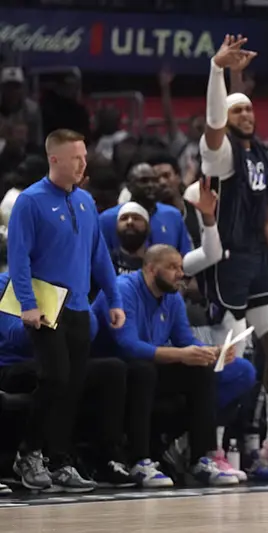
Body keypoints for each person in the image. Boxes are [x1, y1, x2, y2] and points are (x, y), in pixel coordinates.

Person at [196, 35, 268, 478]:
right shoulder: (219, 153)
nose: (243, 113)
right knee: (232, 361)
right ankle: (215, 448)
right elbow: (212, 117)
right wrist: (218, 70)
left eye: (248, 108)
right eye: (235, 108)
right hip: (225, 263)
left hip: (259, 262)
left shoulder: (261, 157)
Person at [6, 128, 125, 491]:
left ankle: (59, 460)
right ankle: (28, 453)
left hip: (78, 308)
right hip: (44, 308)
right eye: (77, 158)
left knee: (72, 386)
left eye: (85, 157)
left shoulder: (87, 202)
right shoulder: (30, 201)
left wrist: (114, 299)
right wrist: (27, 304)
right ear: (54, 159)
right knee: (54, 378)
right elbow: (18, 258)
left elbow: (99, 255)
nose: (83, 164)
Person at [92, 245, 242, 486]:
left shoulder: (172, 297)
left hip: (145, 368)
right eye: (173, 267)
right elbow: (128, 345)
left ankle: (201, 459)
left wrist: (209, 352)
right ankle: (139, 461)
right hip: (110, 370)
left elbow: (185, 340)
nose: (180, 274)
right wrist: (182, 354)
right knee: (144, 369)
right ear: (151, 269)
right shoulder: (122, 290)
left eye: (181, 268)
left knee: (200, 371)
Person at [0, 272, 135, 490]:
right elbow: (13, 336)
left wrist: (72, 310)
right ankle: (37, 457)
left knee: (113, 369)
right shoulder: (8, 282)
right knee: (58, 372)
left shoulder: (68, 283)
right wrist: (50, 326)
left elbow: (89, 332)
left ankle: (106, 459)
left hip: (59, 360)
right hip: (14, 365)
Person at [99, 162, 192, 256]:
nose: (151, 185)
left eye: (155, 180)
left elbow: (185, 255)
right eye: (144, 181)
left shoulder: (173, 215)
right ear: (129, 186)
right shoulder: (108, 219)